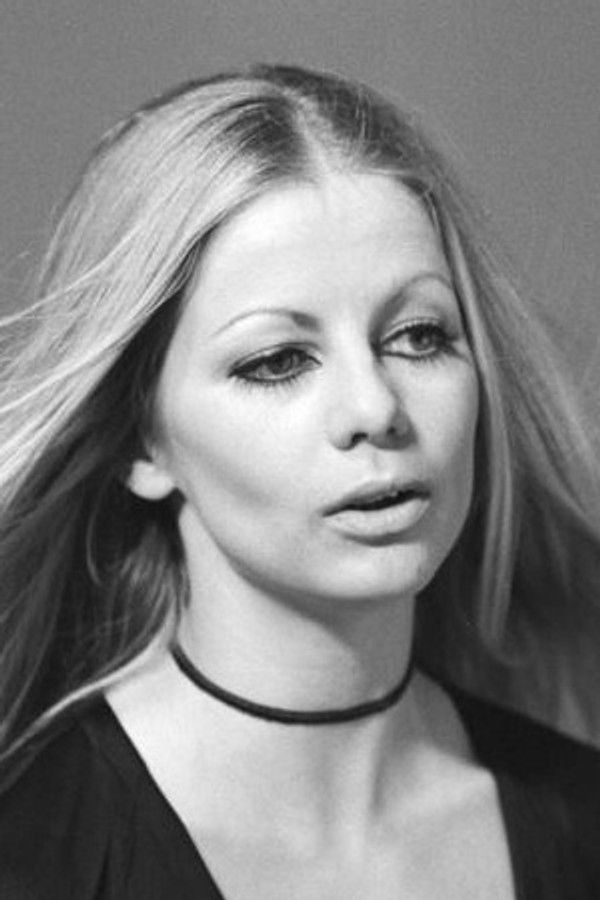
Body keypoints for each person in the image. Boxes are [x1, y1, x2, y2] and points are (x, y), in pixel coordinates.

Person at [0, 63, 598, 899]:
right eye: (277, 360)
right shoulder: (31, 858)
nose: (375, 407)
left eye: (419, 335)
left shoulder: (580, 824)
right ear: (141, 443)